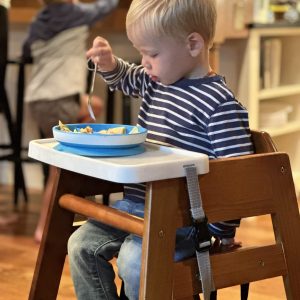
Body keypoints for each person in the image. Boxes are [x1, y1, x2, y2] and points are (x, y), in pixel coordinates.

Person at [68, 0, 254, 299]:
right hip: (136, 207)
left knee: (132, 261)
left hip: (182, 219)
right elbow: (127, 78)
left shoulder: (219, 105)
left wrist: (221, 233)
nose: (144, 62)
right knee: (81, 245)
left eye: (152, 53)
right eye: (141, 53)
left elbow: (237, 176)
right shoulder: (158, 81)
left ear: (193, 44)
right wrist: (109, 64)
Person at [22, 0, 119, 243]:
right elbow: (105, 7)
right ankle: (44, 228)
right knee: (60, 164)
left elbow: (25, 52)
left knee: (93, 107)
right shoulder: (73, 12)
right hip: (59, 100)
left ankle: (82, 194)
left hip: (38, 100)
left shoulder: (40, 19)